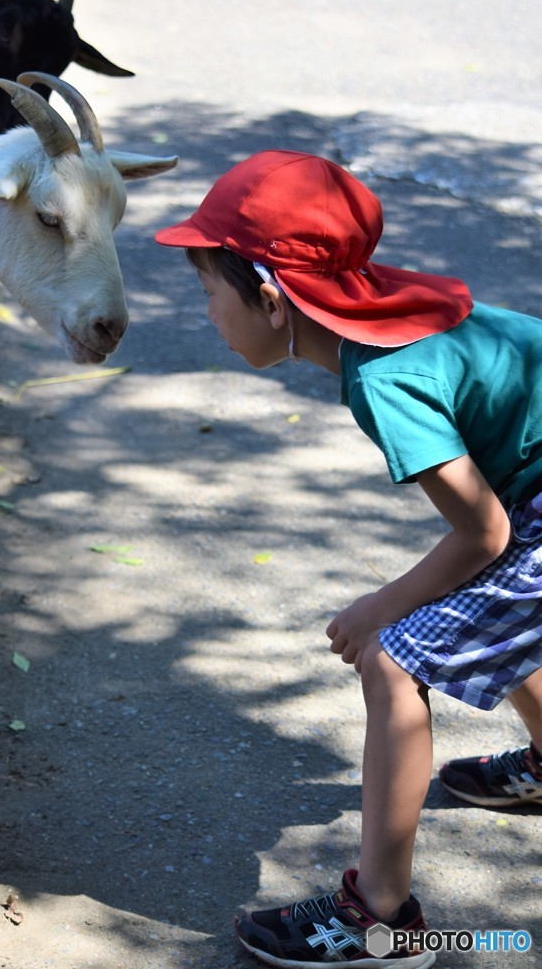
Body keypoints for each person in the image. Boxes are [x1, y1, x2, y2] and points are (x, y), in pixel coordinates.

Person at [154, 150, 542, 968]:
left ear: (268, 298)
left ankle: (382, 919)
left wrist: (380, 610)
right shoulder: (388, 318)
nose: (206, 315)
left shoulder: (385, 380)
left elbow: (484, 535)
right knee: (475, 609)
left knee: (396, 660)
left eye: (206, 292)